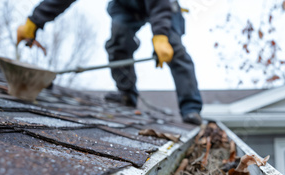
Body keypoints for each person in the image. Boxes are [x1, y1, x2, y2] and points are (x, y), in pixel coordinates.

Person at [17, 0, 203, 125]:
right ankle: (126, 94)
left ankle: (191, 109)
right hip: (126, 5)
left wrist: (160, 36)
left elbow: (159, 4)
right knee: (118, 38)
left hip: (161, 5)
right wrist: (34, 21)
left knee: (174, 47)